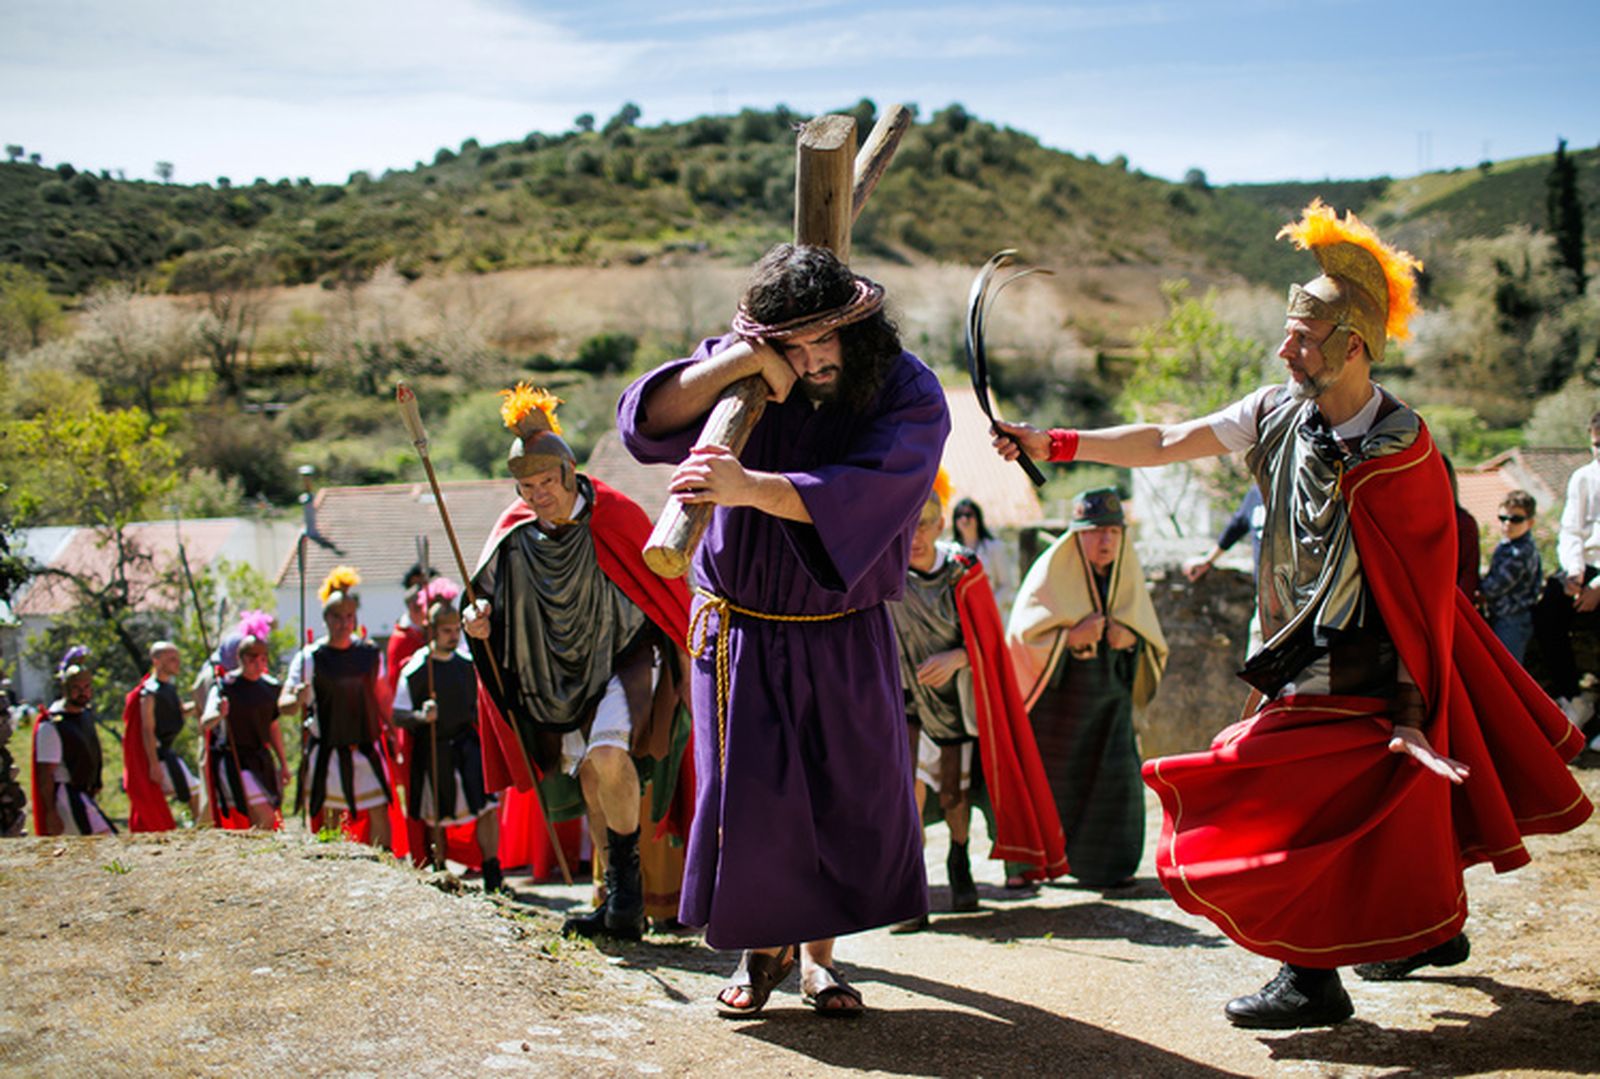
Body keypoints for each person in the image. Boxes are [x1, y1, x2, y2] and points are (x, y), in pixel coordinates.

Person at [993, 199, 1591, 1028]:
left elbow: (1423, 583)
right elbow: (1167, 441)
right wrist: (1056, 441)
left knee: (1273, 796)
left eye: (1303, 338)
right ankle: (1427, 928)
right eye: (1286, 333)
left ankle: (1311, 978)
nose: (1285, 349)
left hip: (1370, 672)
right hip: (1290, 657)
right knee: (1376, 812)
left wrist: (1416, 705)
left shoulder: (1404, 451)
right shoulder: (1275, 411)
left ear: (1353, 347)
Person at [619, 242, 950, 1016]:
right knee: (752, 796)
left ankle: (818, 961)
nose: (807, 361)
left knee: (841, 795)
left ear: (857, 330)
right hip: (740, 631)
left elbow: (869, 492)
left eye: (821, 341)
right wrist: (738, 361)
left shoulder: (907, 388)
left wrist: (748, 487)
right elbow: (646, 420)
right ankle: (755, 949)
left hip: (842, 625)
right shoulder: (746, 362)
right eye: (789, 345)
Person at [466, 384, 692, 940]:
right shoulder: (513, 532)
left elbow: (665, 591)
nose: (538, 494)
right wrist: (477, 617)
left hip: (629, 659)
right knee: (592, 773)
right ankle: (615, 900)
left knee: (611, 757)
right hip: (559, 672)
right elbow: (483, 597)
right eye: (527, 486)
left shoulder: (615, 515)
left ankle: (626, 897)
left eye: (546, 482)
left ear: (568, 474)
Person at [888, 474, 1066, 931]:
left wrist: (958, 657)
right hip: (907, 703)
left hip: (960, 704)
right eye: (909, 524)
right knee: (905, 793)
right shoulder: (884, 574)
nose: (918, 534)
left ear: (941, 522)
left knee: (954, 794)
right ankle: (912, 889)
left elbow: (990, 642)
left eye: (926, 523)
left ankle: (959, 860)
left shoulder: (961, 569)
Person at [1008, 487, 1168, 888]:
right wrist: (1070, 637)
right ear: (1077, 534)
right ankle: (1051, 863)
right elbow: (1021, 637)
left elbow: (1150, 635)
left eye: (1113, 532)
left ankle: (1112, 868)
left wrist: (1129, 638)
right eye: (1096, 531)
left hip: (1111, 699)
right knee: (1059, 784)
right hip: (1063, 705)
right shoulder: (1050, 572)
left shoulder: (1124, 573)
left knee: (1117, 782)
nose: (1106, 541)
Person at [395, 591, 504, 888]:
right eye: (446, 631)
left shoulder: (467, 664)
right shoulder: (416, 669)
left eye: (457, 630)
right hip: (435, 751)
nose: (453, 636)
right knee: (437, 817)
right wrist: (421, 716)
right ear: (431, 631)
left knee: (487, 809)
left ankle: (492, 873)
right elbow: (398, 713)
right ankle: (440, 872)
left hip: (468, 747)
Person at [282, 565, 394, 851]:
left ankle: (388, 865)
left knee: (379, 808)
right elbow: (285, 706)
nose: (344, 623)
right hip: (329, 750)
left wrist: (396, 733)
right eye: (337, 617)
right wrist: (296, 696)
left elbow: (382, 698)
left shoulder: (369, 654)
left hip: (366, 746)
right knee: (331, 815)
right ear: (326, 619)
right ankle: (333, 862)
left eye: (349, 617)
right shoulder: (310, 658)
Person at [1532, 411, 1600, 739]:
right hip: (1585, 564)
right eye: (1595, 445)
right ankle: (1573, 697)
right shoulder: (1584, 477)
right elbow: (1571, 530)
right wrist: (1574, 573)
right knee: (1547, 613)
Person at [202, 625, 291, 831]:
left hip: (261, 759)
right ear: (241, 658)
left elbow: (273, 727)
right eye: (252, 657)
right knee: (265, 816)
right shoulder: (225, 686)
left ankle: (259, 857)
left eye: (263, 657)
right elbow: (206, 721)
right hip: (234, 761)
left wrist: (283, 763)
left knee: (266, 815)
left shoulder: (270, 687)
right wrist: (219, 713)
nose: (258, 663)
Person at [31, 649, 114, 836]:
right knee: (105, 840)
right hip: (66, 795)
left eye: (86, 687)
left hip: (83, 794)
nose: (82, 693)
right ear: (65, 689)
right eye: (77, 688)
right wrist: (51, 813)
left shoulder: (85, 715)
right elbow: (45, 775)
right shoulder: (52, 725)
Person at [122, 641, 201, 831]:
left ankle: (195, 827)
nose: (177, 663)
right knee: (194, 792)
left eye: (177, 658)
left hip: (167, 753)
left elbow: (180, 711)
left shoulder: (168, 688)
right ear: (156, 661)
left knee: (193, 791)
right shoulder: (149, 693)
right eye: (171, 659)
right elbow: (147, 730)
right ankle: (197, 828)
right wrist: (153, 763)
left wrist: (202, 704)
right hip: (157, 756)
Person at [1479, 491, 1542, 663]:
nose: (1508, 524)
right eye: (1503, 518)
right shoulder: (1508, 545)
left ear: (1530, 523)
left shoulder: (1519, 552)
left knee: (1507, 668)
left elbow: (1495, 587)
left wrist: (1476, 584)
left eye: (1516, 519)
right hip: (1505, 616)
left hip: (1512, 619)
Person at [950, 497, 1017, 616]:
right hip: (961, 617)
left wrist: (988, 608)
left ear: (978, 518)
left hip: (991, 614)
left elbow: (1006, 584)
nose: (964, 519)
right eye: (959, 516)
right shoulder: (949, 551)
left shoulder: (995, 547)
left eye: (968, 514)